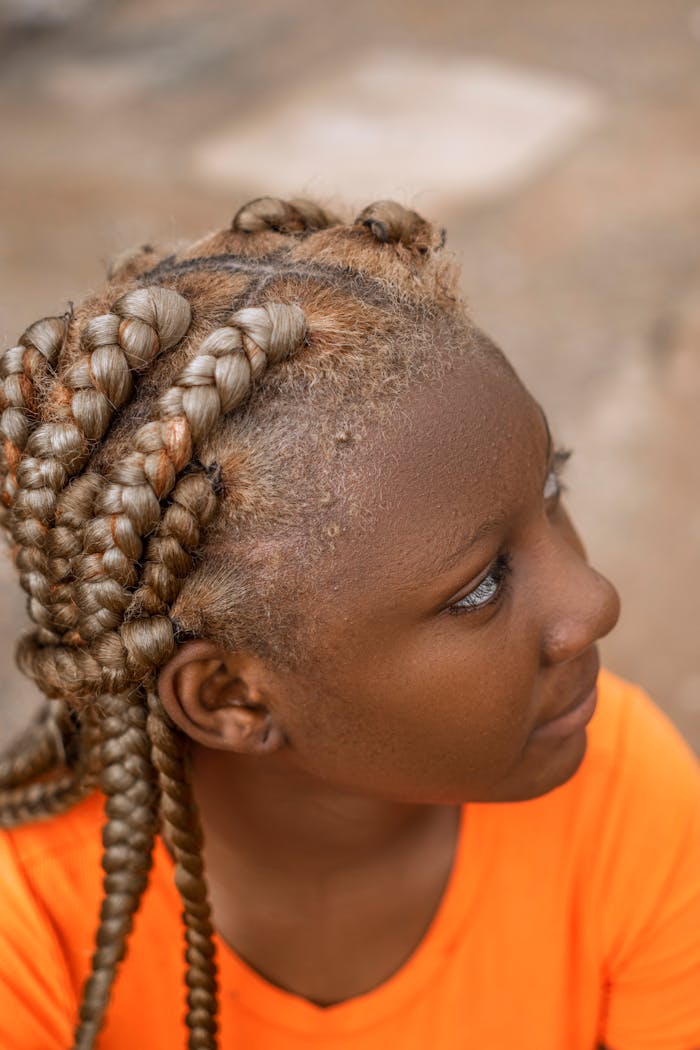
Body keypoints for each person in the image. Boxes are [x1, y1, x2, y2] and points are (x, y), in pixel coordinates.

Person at [0, 196, 697, 1050]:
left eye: (550, 490)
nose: (595, 603)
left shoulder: (622, 786)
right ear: (230, 697)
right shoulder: (26, 937)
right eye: (478, 591)